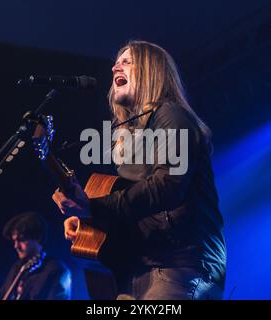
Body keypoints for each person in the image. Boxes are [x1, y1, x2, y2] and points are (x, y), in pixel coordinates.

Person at [52, 40, 226, 300]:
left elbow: (168, 186)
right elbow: (135, 210)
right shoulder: (129, 139)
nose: (114, 67)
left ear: (150, 70)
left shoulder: (172, 116)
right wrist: (88, 220)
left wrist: (93, 206)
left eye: (127, 61)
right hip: (139, 271)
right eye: (116, 62)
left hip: (180, 267)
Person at [0, 211, 72, 300]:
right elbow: (0, 295)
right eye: (14, 241)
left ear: (37, 237)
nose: (16, 246)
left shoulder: (57, 270)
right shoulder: (17, 268)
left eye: (21, 239)